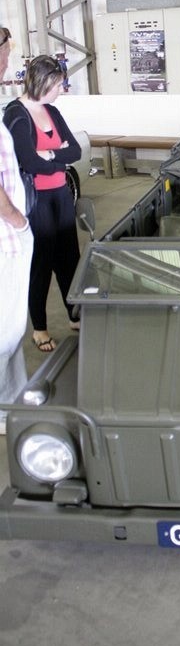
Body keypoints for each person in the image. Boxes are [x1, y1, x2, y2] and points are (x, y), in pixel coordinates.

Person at [3, 54, 81, 352]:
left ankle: (74, 314)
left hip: (61, 194)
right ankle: (39, 328)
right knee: (41, 264)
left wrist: (50, 156)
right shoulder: (17, 114)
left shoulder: (52, 111)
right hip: (37, 200)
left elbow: (74, 151)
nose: (61, 90)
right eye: (58, 85)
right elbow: (29, 161)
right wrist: (56, 159)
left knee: (69, 259)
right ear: (43, 82)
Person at [0, 119, 33, 433]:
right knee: (6, 332)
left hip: (8, 235)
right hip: (6, 238)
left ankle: (14, 401)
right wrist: (18, 221)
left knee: (11, 328)